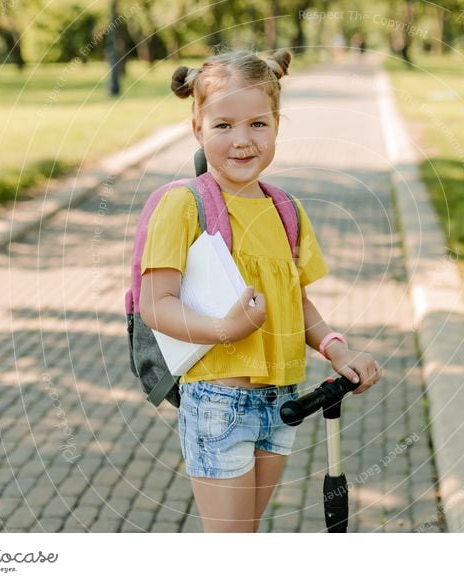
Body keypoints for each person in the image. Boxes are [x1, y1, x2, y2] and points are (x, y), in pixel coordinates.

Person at [139, 48, 382, 533]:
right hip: (218, 400)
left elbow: (297, 300)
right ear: (197, 128)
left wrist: (336, 348)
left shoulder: (285, 209)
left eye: (257, 124)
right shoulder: (184, 206)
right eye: (223, 125)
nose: (242, 140)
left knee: (246, 533)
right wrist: (225, 329)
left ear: (276, 125)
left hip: (281, 400)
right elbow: (155, 304)